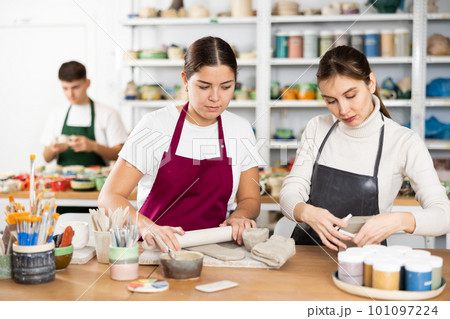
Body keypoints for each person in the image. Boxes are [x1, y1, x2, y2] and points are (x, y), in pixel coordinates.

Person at [280, 45, 450, 251]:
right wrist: (306, 212)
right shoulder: (317, 128)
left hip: (367, 261)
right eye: (331, 101)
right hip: (307, 254)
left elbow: (443, 215)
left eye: (351, 96)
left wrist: (399, 220)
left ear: (370, 82)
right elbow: (290, 191)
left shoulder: (404, 142)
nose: (343, 110)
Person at [98, 36, 261, 251]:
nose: (215, 97)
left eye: (226, 86)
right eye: (204, 86)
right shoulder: (156, 125)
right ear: (185, 80)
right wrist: (146, 226)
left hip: (216, 250)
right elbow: (109, 197)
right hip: (157, 249)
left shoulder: (240, 129)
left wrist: (240, 216)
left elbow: (250, 198)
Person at [41, 61, 128, 167]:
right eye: (65, 88)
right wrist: (52, 149)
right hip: (62, 180)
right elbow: (46, 158)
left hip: (98, 181)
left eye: (75, 87)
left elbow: (121, 155)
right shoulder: (56, 113)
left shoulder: (108, 113)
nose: (70, 94)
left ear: (87, 83)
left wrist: (93, 146)